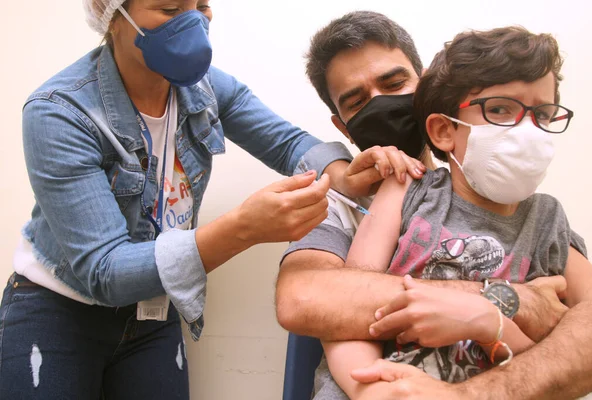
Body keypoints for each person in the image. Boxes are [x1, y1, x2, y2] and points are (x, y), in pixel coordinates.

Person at [0, 2, 425, 399]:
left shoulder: (203, 88)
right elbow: (105, 271)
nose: (193, 22)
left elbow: (286, 143)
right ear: (109, 14)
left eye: (201, 6)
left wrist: (344, 179)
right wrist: (244, 229)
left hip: (152, 309)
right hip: (59, 312)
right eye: (170, 8)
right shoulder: (58, 112)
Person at [276, 12, 592, 400]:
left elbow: (572, 339)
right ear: (343, 125)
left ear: (423, 80)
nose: (522, 130)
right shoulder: (370, 196)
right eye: (357, 100)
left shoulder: (545, 220)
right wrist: (504, 300)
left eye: (394, 83)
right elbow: (314, 305)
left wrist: (489, 323)